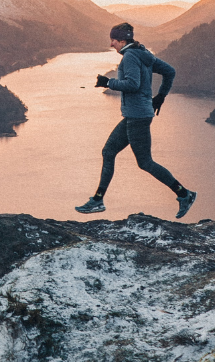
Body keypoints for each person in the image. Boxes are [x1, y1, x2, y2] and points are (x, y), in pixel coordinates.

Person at [76, 22, 197, 219]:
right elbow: (170, 71)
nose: (111, 44)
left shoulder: (131, 56)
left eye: (113, 40)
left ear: (122, 40)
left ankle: (185, 194)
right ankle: (98, 200)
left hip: (137, 116)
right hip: (137, 114)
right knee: (108, 151)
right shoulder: (143, 52)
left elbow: (133, 84)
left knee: (145, 162)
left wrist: (108, 83)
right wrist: (160, 97)